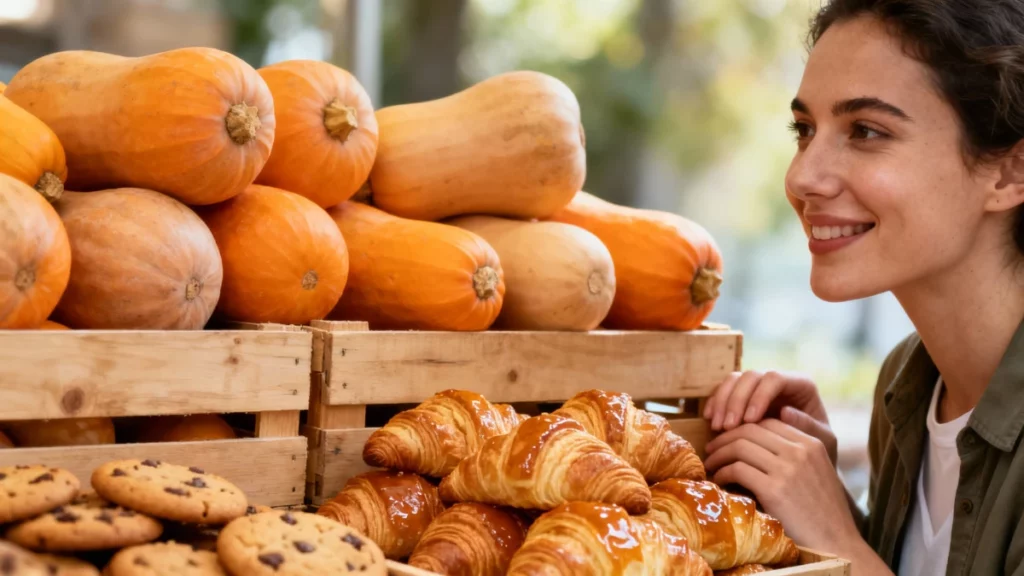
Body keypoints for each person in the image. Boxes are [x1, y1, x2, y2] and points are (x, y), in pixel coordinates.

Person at [700, 1, 1024, 575]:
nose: (802, 178)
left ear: (1008, 172)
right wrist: (822, 494)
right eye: (804, 130)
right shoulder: (907, 385)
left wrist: (836, 540)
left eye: (867, 131)